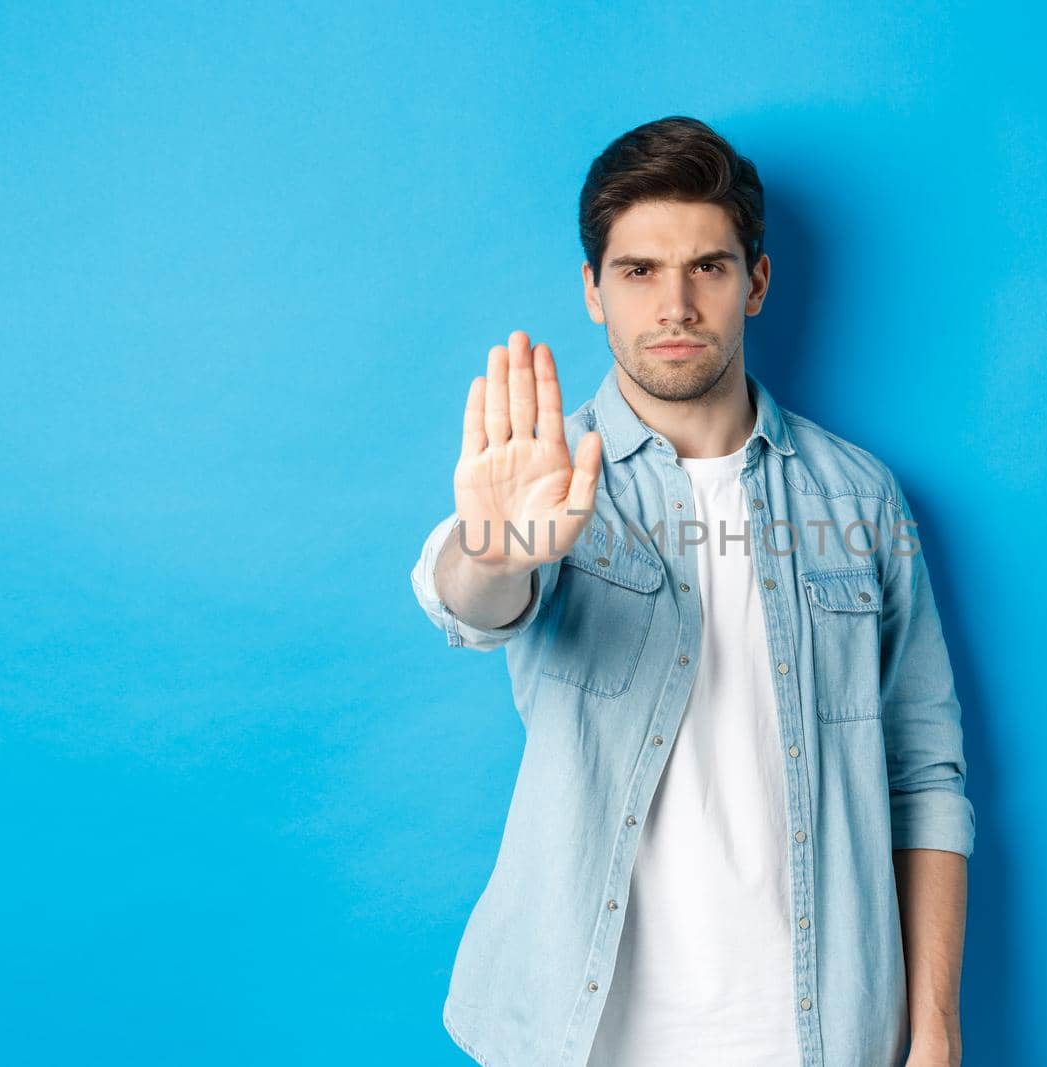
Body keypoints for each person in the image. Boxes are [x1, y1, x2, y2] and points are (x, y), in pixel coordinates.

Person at [410, 116, 974, 1067]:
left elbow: (923, 774)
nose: (674, 303)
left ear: (755, 282)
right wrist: (496, 552)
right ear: (593, 291)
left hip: (823, 1031)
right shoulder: (550, 479)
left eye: (707, 267)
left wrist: (934, 1030)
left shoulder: (860, 497)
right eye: (638, 271)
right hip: (581, 1036)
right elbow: (465, 598)